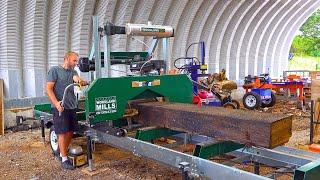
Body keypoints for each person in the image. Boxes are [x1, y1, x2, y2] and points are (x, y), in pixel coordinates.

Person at [46, 51, 87, 170]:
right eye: (74, 61)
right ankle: (64, 159)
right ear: (66, 58)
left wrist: (80, 81)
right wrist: (56, 103)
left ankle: (62, 151)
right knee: (62, 132)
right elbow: (48, 89)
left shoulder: (73, 72)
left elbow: (76, 78)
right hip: (60, 107)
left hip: (71, 106)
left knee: (70, 131)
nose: (76, 63)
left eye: (76, 61)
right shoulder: (55, 70)